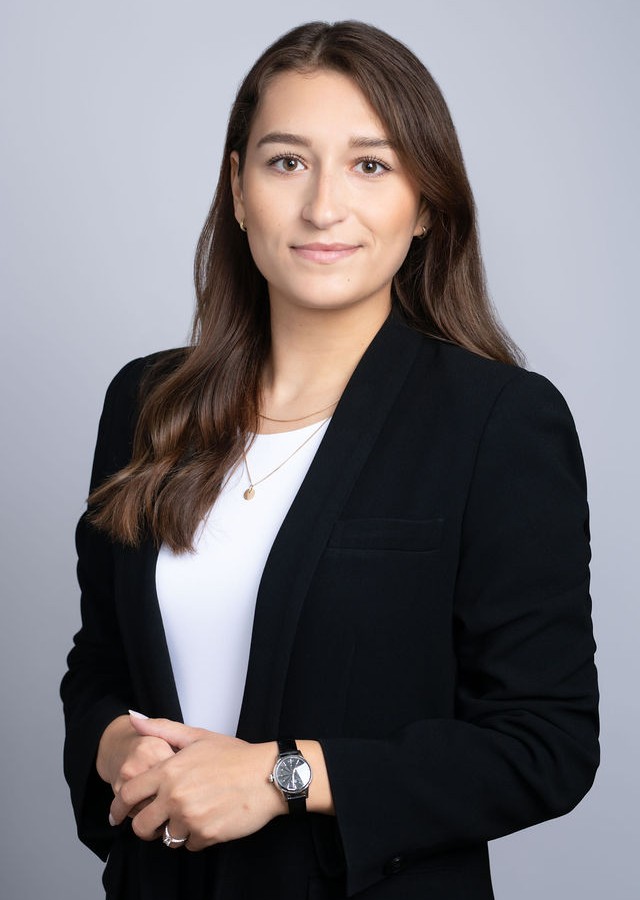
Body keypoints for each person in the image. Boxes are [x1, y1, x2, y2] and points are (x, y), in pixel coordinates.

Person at [61, 20, 599, 900]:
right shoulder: (145, 404)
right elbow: (101, 665)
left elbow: (546, 744)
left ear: (425, 205)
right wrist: (111, 740)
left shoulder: (498, 422)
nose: (322, 206)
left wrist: (283, 776)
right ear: (238, 190)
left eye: (370, 165)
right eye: (286, 162)